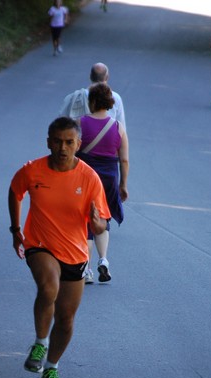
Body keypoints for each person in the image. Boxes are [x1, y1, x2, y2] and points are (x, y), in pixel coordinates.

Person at [8, 117, 111, 378]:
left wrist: (97, 222)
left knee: (66, 319)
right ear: (48, 142)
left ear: (78, 144)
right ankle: (40, 344)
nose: (62, 147)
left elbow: (101, 224)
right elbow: (15, 191)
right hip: (39, 244)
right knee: (48, 286)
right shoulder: (33, 171)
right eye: (57, 141)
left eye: (69, 142)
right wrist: (16, 229)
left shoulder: (90, 178)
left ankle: (51, 368)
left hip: (75, 254)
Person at [77, 83, 129, 284]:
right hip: (109, 179)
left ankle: (87, 269)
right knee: (103, 217)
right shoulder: (118, 127)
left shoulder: (79, 123)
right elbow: (124, 160)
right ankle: (104, 260)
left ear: (92, 101)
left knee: (85, 222)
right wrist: (123, 185)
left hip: (86, 178)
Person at [59, 62, 126, 128]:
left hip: (78, 138)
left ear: (90, 76)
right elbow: (121, 126)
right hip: (106, 138)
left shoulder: (72, 98)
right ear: (107, 77)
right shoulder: (115, 98)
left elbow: (60, 123)